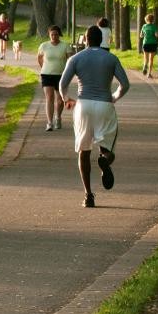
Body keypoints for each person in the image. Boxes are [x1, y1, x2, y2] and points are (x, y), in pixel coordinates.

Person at [59, 25, 130, 208]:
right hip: (105, 104)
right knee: (108, 148)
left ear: (85, 40)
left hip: (83, 105)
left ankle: (88, 195)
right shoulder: (111, 58)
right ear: (102, 40)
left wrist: (66, 99)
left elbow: (62, 84)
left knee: (83, 151)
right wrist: (114, 97)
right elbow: (125, 84)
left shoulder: (76, 59)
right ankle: (105, 161)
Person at [37, 25, 70, 131]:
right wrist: (44, 68)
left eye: (56, 34)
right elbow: (39, 58)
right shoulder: (44, 46)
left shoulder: (65, 45)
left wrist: (69, 72)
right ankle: (49, 122)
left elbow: (70, 59)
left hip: (61, 75)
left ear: (59, 35)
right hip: (47, 74)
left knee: (60, 100)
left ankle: (58, 117)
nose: (54, 36)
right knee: (49, 97)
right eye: (52, 34)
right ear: (49, 35)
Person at [139, 14, 158, 78]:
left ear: (146, 20)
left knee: (146, 58)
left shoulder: (144, 26)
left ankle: (145, 66)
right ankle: (149, 74)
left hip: (146, 43)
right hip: (153, 43)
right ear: (153, 20)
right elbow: (157, 35)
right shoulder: (154, 26)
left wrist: (146, 35)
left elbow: (141, 36)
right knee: (151, 59)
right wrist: (155, 34)